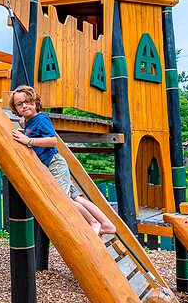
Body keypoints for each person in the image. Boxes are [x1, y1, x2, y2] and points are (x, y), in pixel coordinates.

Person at [9, 85, 116, 237]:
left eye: (27, 102)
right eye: (19, 104)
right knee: (76, 198)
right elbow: (35, 134)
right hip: (52, 166)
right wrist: (25, 133)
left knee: (62, 200)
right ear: (15, 108)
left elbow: (52, 140)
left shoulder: (41, 119)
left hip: (55, 165)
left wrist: (28, 140)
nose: (24, 106)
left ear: (35, 102)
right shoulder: (29, 121)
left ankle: (94, 223)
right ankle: (107, 224)